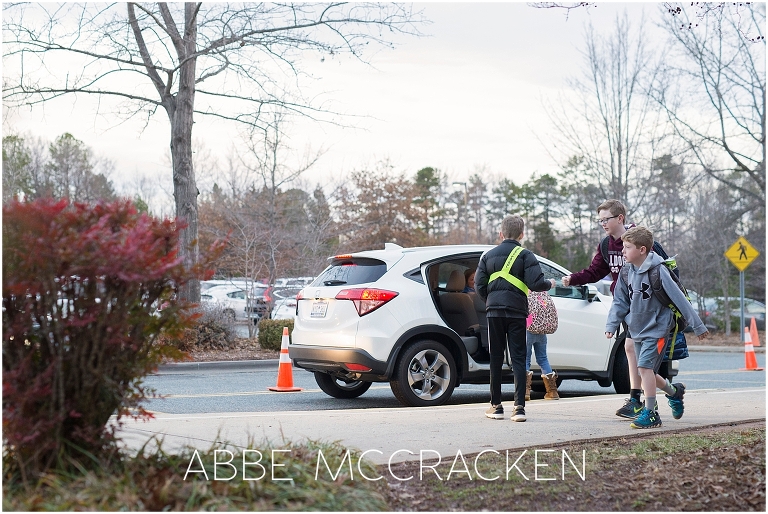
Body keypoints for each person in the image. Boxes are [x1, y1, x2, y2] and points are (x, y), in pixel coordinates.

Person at [605, 226, 709, 429]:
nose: (623, 252)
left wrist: (698, 326)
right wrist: (612, 324)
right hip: (636, 329)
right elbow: (620, 301)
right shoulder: (626, 271)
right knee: (647, 372)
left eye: (627, 247)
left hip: (658, 329)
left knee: (644, 368)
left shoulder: (659, 271)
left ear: (642, 249)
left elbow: (680, 300)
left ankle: (650, 413)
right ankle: (674, 392)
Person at [561, 199, 644, 419]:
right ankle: (666, 393)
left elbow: (661, 267)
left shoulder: (640, 239)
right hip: (624, 303)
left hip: (644, 304)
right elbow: (595, 271)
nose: (603, 224)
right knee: (633, 350)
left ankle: (638, 400)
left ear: (620, 218)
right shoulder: (606, 245)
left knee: (632, 349)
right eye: (600, 221)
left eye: (606, 219)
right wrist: (573, 279)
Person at [475, 215, 556, 422]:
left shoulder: (488, 256)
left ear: (501, 234)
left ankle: (496, 406)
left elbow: (479, 286)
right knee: (519, 358)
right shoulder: (526, 256)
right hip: (517, 312)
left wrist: (491, 300)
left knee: (495, 358)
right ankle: (519, 408)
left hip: (494, 313)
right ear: (522, 234)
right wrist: (550, 284)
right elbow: (537, 283)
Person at [525, 332, 559, 400]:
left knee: (525, 359)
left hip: (527, 331)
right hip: (541, 331)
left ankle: (525, 391)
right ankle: (552, 392)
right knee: (543, 359)